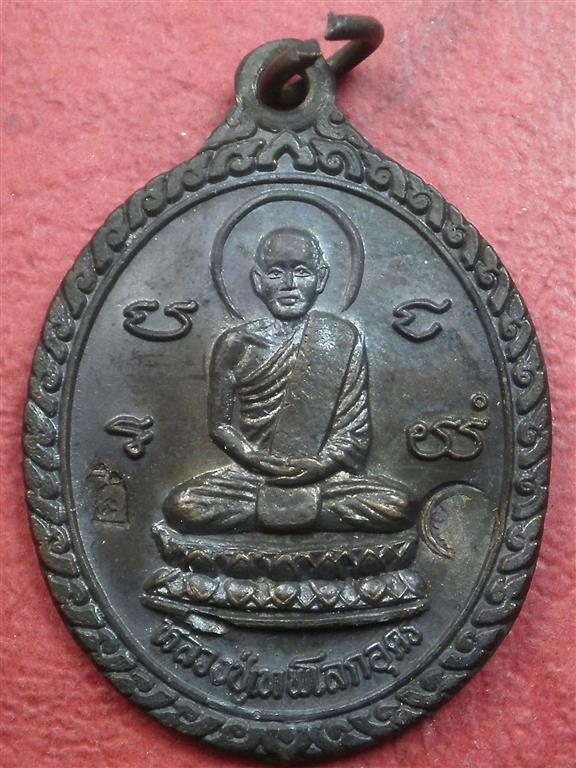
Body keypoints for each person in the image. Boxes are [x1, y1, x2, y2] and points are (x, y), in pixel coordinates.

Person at [163, 228, 415, 534]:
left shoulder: (341, 338)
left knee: (399, 505)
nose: (289, 284)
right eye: (275, 273)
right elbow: (220, 426)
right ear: (258, 281)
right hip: (252, 478)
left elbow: (353, 434)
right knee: (183, 506)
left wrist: (320, 466)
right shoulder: (235, 344)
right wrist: (253, 458)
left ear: (321, 278)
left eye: (301, 271)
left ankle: (277, 513)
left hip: (323, 479)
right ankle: (304, 514)